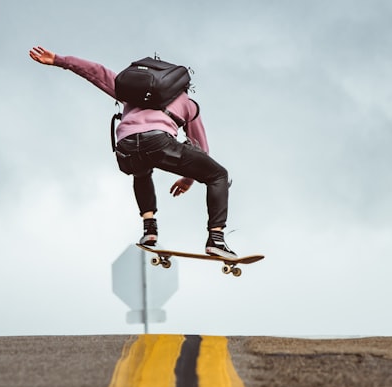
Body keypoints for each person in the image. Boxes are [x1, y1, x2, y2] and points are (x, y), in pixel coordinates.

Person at [28, 46, 237, 259]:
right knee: (218, 175)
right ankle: (216, 240)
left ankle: (149, 230)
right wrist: (188, 179)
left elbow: (95, 71)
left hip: (125, 149)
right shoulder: (188, 104)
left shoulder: (131, 92)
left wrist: (59, 60)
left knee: (141, 170)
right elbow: (202, 149)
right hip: (158, 142)